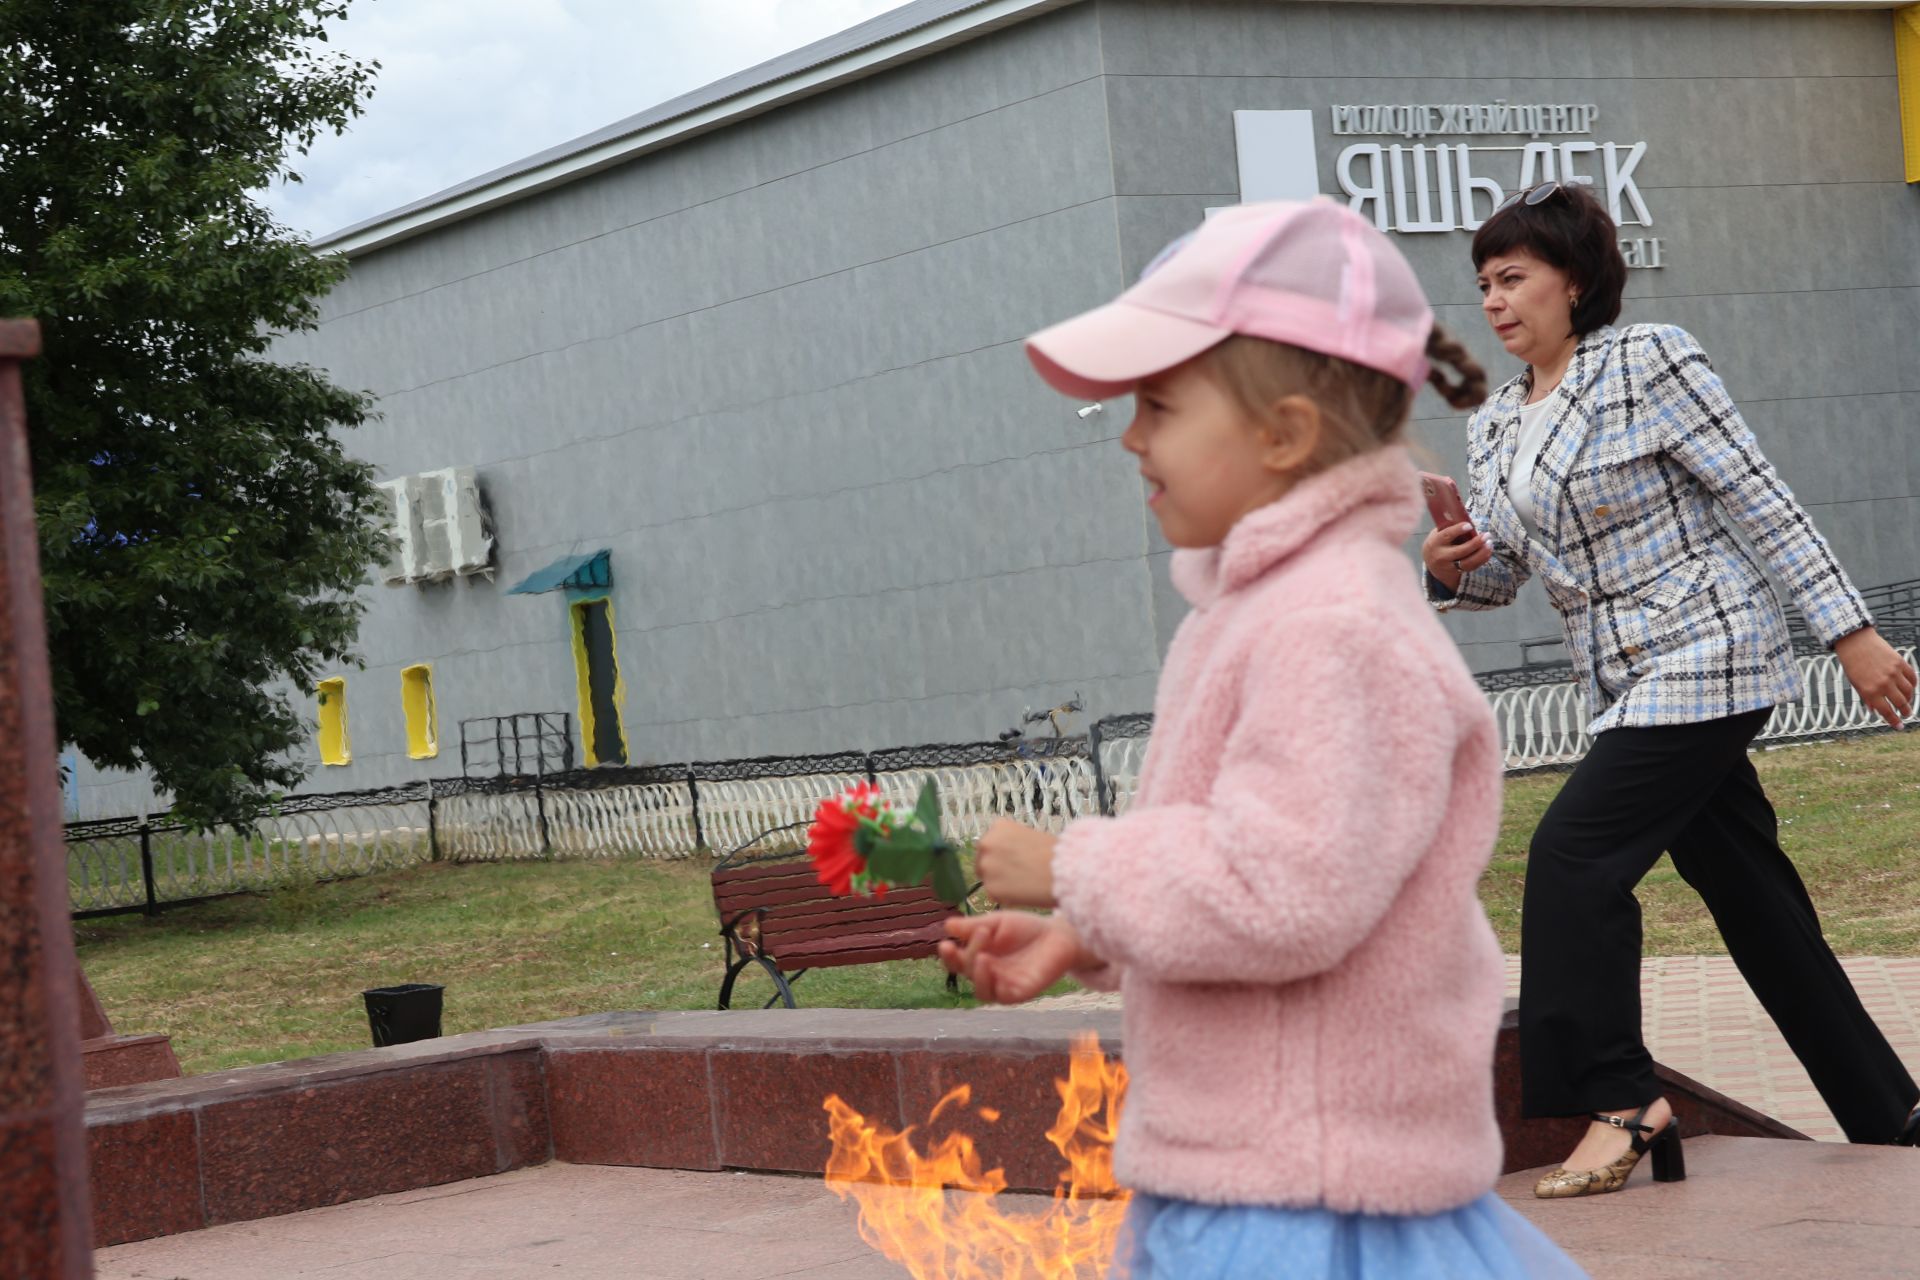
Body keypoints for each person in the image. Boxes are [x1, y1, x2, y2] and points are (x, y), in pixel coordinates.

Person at [941, 200, 1587, 1279]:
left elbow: (1287, 885)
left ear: (1284, 432)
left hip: (1304, 1200)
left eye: (1157, 404)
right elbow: (1250, 868)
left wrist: (1073, 867)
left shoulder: (1333, 623)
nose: (1133, 435)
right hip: (1258, 1171)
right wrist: (1089, 936)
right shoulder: (1258, 612)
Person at [1421, 181, 1920, 1196]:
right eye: (1483, 283)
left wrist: (1851, 632)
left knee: (1571, 854)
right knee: (1753, 900)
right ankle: (1891, 1111)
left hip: (1707, 649)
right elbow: (1504, 573)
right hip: (1620, 681)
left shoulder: (1647, 361)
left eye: (1514, 276)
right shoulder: (1494, 428)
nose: (1496, 300)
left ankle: (1621, 1097)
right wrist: (1445, 563)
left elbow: (1761, 497)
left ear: (1575, 278)